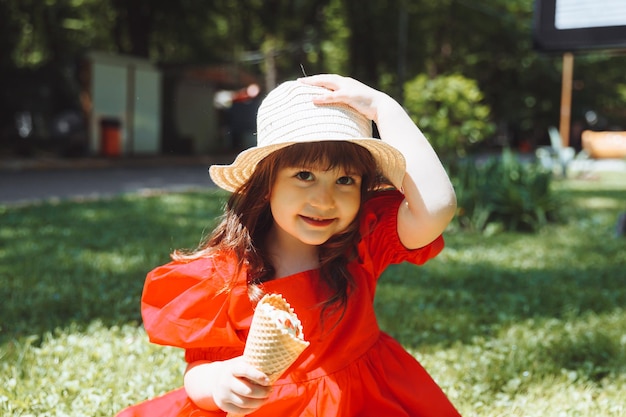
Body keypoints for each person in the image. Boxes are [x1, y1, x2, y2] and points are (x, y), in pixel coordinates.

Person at [116, 74, 460, 416]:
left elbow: (437, 207)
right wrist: (220, 382)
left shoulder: (362, 244)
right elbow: (196, 372)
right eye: (304, 176)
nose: (324, 200)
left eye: (344, 180)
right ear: (267, 185)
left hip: (361, 402)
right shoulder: (221, 277)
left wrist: (384, 109)